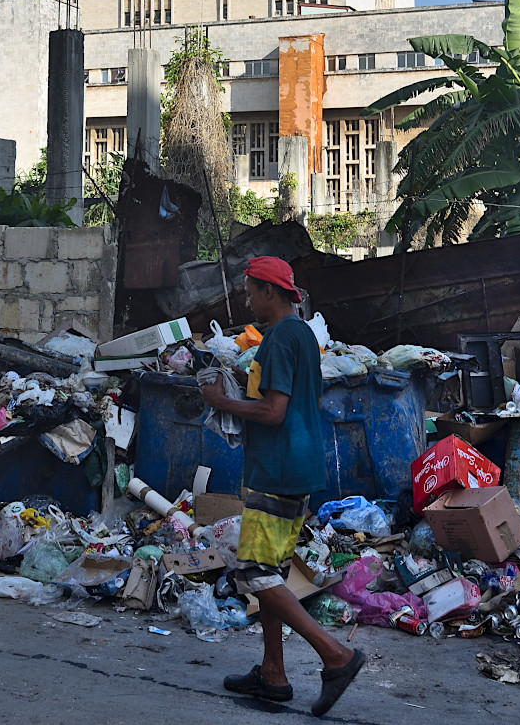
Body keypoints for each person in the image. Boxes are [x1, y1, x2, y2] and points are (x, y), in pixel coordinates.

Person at [199, 255, 365, 718]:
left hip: (279, 467)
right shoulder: (303, 335)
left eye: (251, 291)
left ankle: (336, 655)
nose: (248, 300)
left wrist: (223, 401)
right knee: (269, 569)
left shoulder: (276, 339)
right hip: (300, 463)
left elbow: (273, 412)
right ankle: (273, 673)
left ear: (269, 292)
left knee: (252, 571)